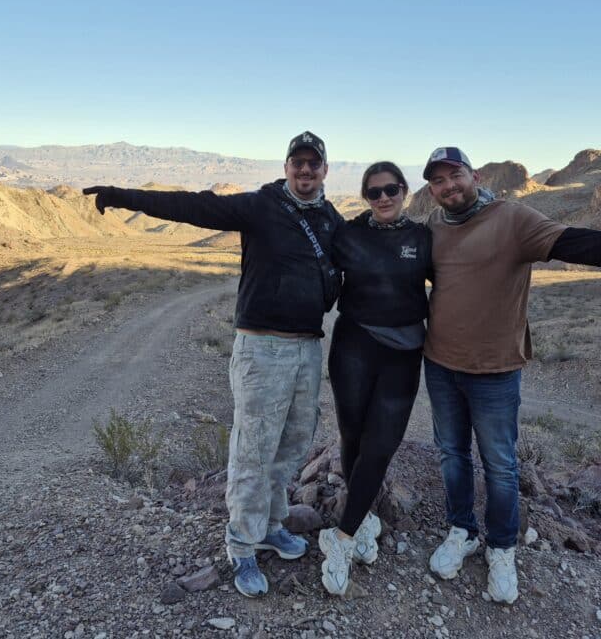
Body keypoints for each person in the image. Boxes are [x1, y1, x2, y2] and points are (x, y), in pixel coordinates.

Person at [83, 132, 344, 597]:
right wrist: (123, 197)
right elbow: (193, 205)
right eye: (297, 163)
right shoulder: (261, 206)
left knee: (290, 444)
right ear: (286, 166)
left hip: (307, 348)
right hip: (262, 348)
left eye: (313, 164)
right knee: (253, 449)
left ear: (325, 170)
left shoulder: (330, 219)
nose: (305, 171)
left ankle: (272, 524)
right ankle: (242, 543)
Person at [422, 146, 601, 604]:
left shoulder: (513, 218)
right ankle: (461, 530)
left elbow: (573, 242)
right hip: (440, 363)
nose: (447, 186)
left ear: (474, 175)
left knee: (500, 465)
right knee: (450, 453)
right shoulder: (434, 227)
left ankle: (501, 546)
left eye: (454, 175)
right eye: (437, 181)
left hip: (495, 369)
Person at [316, 162, 433, 595]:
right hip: (353, 347)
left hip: (403, 354)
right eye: (374, 192)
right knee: (353, 437)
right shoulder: (348, 234)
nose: (383, 198)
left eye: (391, 190)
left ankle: (341, 540)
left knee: (381, 445)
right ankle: (362, 520)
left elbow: (459, 281)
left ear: (404, 191)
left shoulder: (422, 239)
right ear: (365, 196)